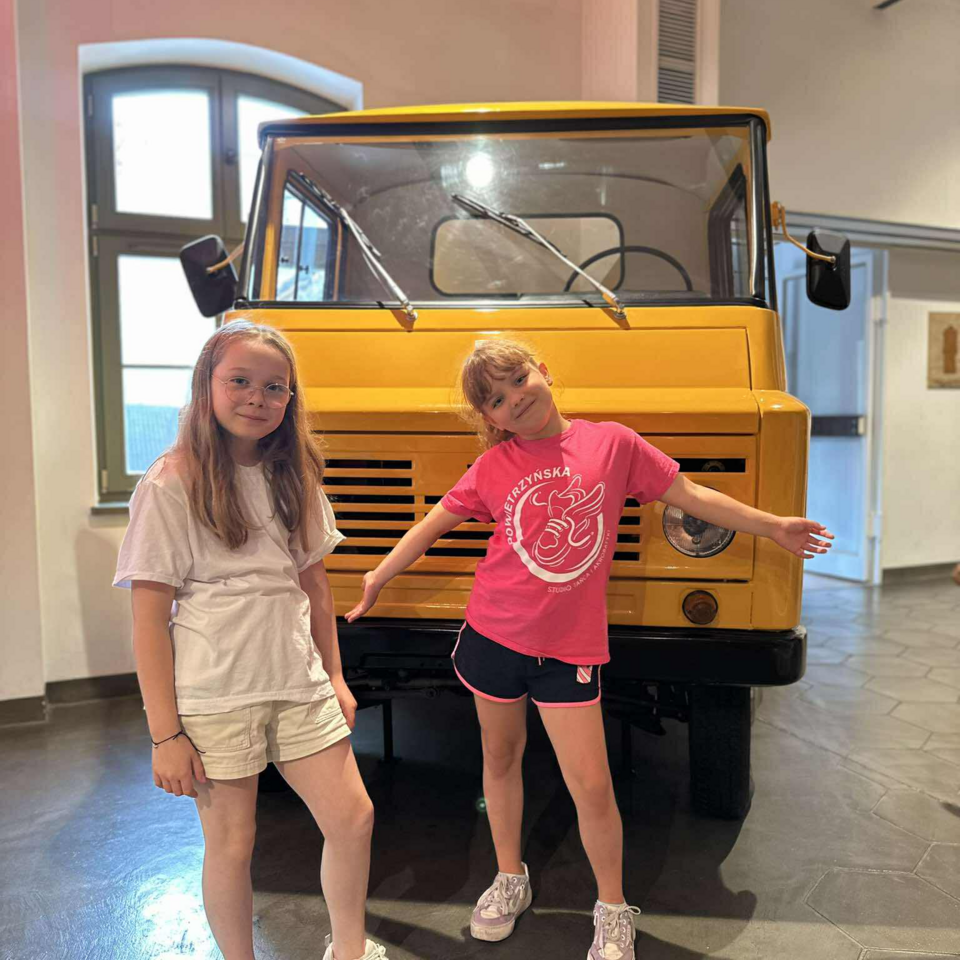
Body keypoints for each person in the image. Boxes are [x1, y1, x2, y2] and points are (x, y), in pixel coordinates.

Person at [346, 338, 833, 960]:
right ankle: (510, 877)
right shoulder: (493, 467)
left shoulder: (613, 444)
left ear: (543, 372)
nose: (514, 399)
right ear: (490, 418)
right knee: (499, 760)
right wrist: (378, 576)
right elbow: (431, 525)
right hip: (492, 636)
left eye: (518, 379)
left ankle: (612, 906)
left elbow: (691, 496)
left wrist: (774, 526)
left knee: (592, 785)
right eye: (495, 399)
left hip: (569, 650)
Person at [114, 320, 389, 960]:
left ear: (290, 398)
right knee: (232, 845)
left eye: (274, 387)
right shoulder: (170, 482)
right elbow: (149, 620)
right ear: (207, 384)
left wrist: (335, 677)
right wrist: (165, 735)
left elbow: (314, 586)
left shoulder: (294, 476)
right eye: (239, 380)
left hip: (297, 682)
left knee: (353, 818)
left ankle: (350, 950)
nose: (256, 398)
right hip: (216, 692)